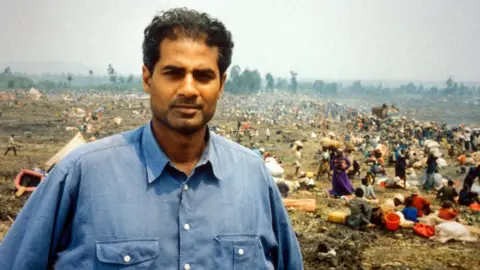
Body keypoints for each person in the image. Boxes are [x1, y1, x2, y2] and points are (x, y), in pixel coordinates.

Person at [0, 8, 303, 270]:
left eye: (203, 76)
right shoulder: (81, 174)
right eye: (173, 73)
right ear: (147, 78)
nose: (188, 88)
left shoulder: (253, 176)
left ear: (221, 84)